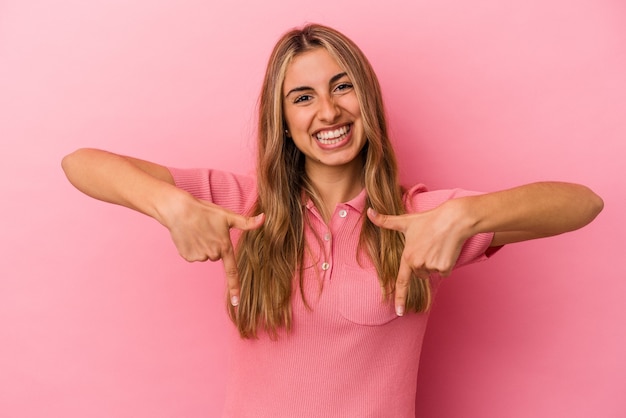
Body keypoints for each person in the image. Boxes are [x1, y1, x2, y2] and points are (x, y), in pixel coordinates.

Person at [62, 24, 603, 418]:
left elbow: (582, 203)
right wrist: (171, 205)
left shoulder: (418, 218)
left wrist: (467, 214)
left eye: (342, 86)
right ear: (285, 121)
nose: (328, 111)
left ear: (367, 99)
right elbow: (80, 163)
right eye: (303, 97)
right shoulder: (242, 205)